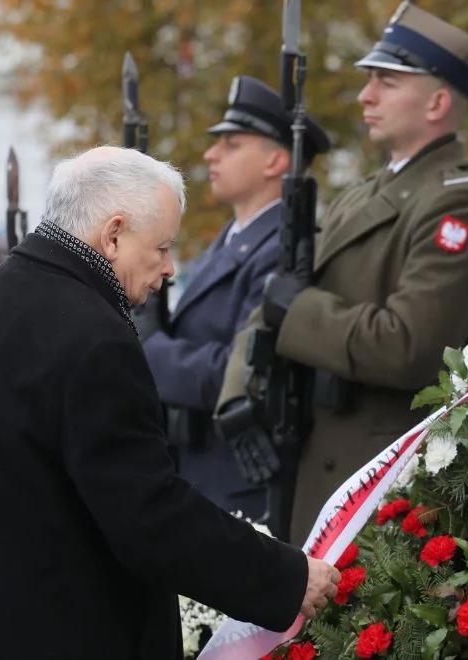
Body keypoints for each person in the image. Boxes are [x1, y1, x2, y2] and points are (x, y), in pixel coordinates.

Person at [0, 146, 340, 659]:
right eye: (162, 247)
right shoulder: (91, 334)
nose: (169, 269)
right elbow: (146, 513)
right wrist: (286, 576)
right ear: (114, 233)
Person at [217, 2, 468, 543]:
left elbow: (407, 347)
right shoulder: (364, 194)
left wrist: (297, 312)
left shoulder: (453, 212)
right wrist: (237, 392)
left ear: (438, 101)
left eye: (386, 82)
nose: (365, 96)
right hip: (313, 465)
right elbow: (276, 298)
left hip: (376, 484)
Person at [137, 76, 330, 519]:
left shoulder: (282, 251)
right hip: (199, 470)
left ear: (276, 160)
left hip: (240, 483)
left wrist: (149, 350)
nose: (211, 154)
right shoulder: (229, 242)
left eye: (232, 143)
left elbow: (239, 370)